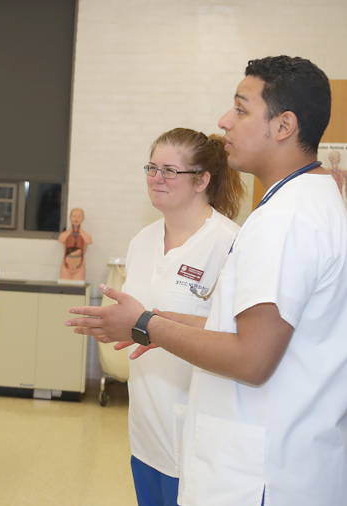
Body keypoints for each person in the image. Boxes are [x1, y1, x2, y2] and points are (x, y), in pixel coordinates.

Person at [67, 56, 347, 505]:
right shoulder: (308, 205)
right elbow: (249, 332)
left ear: (284, 125)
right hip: (278, 460)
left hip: (262, 474)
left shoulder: (284, 220)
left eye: (240, 109)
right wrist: (153, 319)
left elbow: (252, 358)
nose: (224, 122)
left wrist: (145, 326)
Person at [123, 128, 244, 506]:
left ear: (202, 180)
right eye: (152, 167)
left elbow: (241, 339)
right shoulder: (141, 242)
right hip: (145, 429)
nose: (157, 178)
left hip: (201, 436)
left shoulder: (230, 244)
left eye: (170, 170)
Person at [58, 207, 92, 280]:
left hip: (80, 265)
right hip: (66, 264)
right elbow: (61, 239)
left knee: (78, 289)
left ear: (83, 218)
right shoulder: (64, 235)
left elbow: (88, 241)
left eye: (79, 217)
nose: (76, 219)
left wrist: (79, 230)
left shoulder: (86, 236)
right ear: (70, 217)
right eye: (74, 216)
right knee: (65, 287)